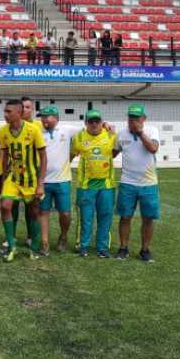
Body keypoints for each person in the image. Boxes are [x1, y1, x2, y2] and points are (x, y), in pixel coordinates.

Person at [0, 99, 47, 262]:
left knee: (34, 211)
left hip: (31, 179)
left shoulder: (33, 130)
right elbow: (3, 154)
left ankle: (34, 248)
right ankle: (12, 246)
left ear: (19, 113)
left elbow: (43, 156)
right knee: (5, 206)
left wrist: (40, 183)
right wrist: (2, 175)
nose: (5, 115)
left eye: (8, 112)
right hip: (13, 177)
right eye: (5, 111)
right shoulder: (3, 131)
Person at [113, 105, 159, 262]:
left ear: (143, 119)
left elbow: (153, 148)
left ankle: (145, 250)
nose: (132, 121)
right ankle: (123, 248)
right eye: (130, 118)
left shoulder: (152, 131)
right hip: (127, 183)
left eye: (136, 118)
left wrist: (140, 133)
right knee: (125, 217)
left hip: (149, 183)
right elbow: (112, 153)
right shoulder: (121, 134)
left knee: (148, 218)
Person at [71, 109, 117, 258]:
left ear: (101, 122)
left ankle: (102, 248)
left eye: (97, 121)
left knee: (105, 217)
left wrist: (109, 127)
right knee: (85, 218)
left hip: (106, 185)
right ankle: (82, 246)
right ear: (86, 123)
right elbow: (71, 155)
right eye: (91, 121)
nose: (94, 124)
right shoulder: (78, 137)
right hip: (86, 185)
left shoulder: (110, 135)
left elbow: (116, 151)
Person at [38, 106, 81, 255]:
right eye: (42, 117)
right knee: (43, 212)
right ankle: (44, 243)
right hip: (43, 181)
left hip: (63, 181)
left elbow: (87, 129)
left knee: (65, 214)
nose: (43, 119)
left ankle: (63, 236)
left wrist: (106, 125)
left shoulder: (66, 130)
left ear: (56, 118)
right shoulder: (37, 132)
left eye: (46, 117)